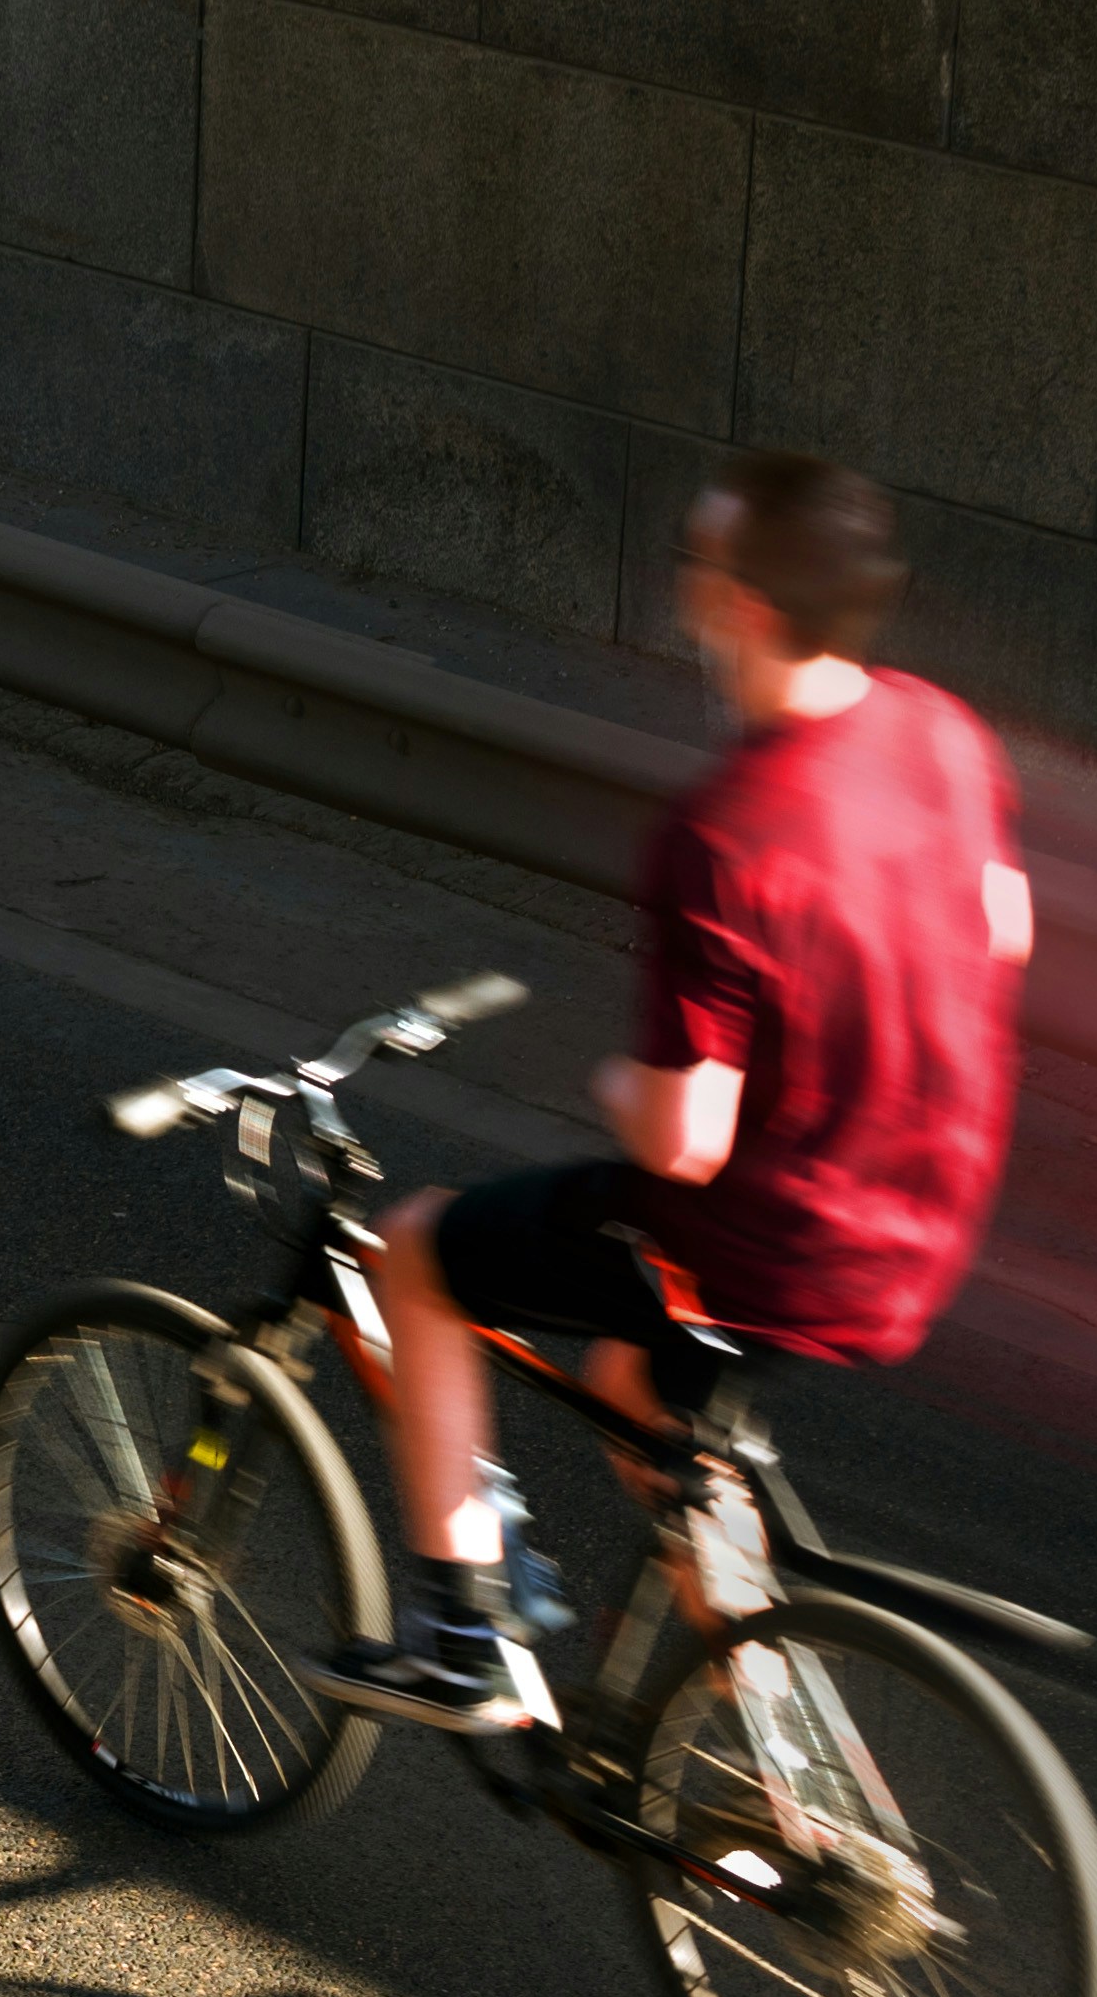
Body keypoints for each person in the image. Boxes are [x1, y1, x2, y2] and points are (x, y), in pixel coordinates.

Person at [350, 450, 1036, 1711]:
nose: (684, 588)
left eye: (697, 564)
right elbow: (1002, 931)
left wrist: (621, 1080)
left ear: (745, 608)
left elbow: (680, 1142)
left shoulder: (725, 831)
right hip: (923, 1220)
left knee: (414, 1252)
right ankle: (777, 1757)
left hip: (777, 1245)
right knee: (636, 1386)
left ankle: (455, 1636)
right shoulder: (939, 730)